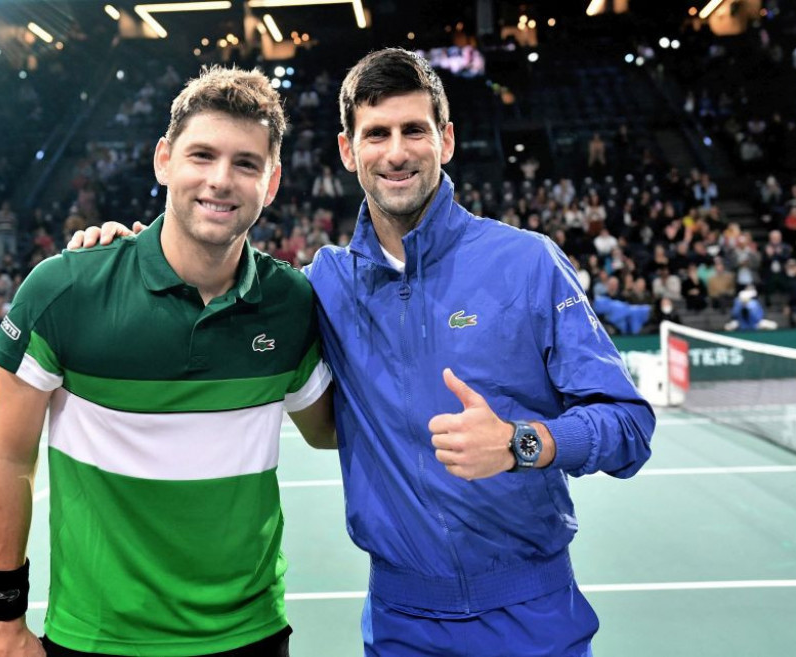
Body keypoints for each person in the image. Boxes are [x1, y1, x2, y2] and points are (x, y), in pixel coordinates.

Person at [76, 49, 654, 656]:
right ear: (348, 150)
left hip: (532, 615)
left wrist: (521, 443)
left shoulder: (529, 263)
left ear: (446, 140)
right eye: (376, 134)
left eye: (414, 131)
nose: (396, 152)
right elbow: (215, 279)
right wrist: (128, 255)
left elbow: (629, 425)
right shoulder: (323, 285)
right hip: (401, 624)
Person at [0, 66, 335, 657]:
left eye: (246, 163)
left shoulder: (289, 303)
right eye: (202, 155)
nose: (220, 180)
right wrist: (3, 621)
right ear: (164, 160)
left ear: (271, 182)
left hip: (250, 635)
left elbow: (330, 431)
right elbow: (9, 454)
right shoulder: (65, 289)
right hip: (97, 639)